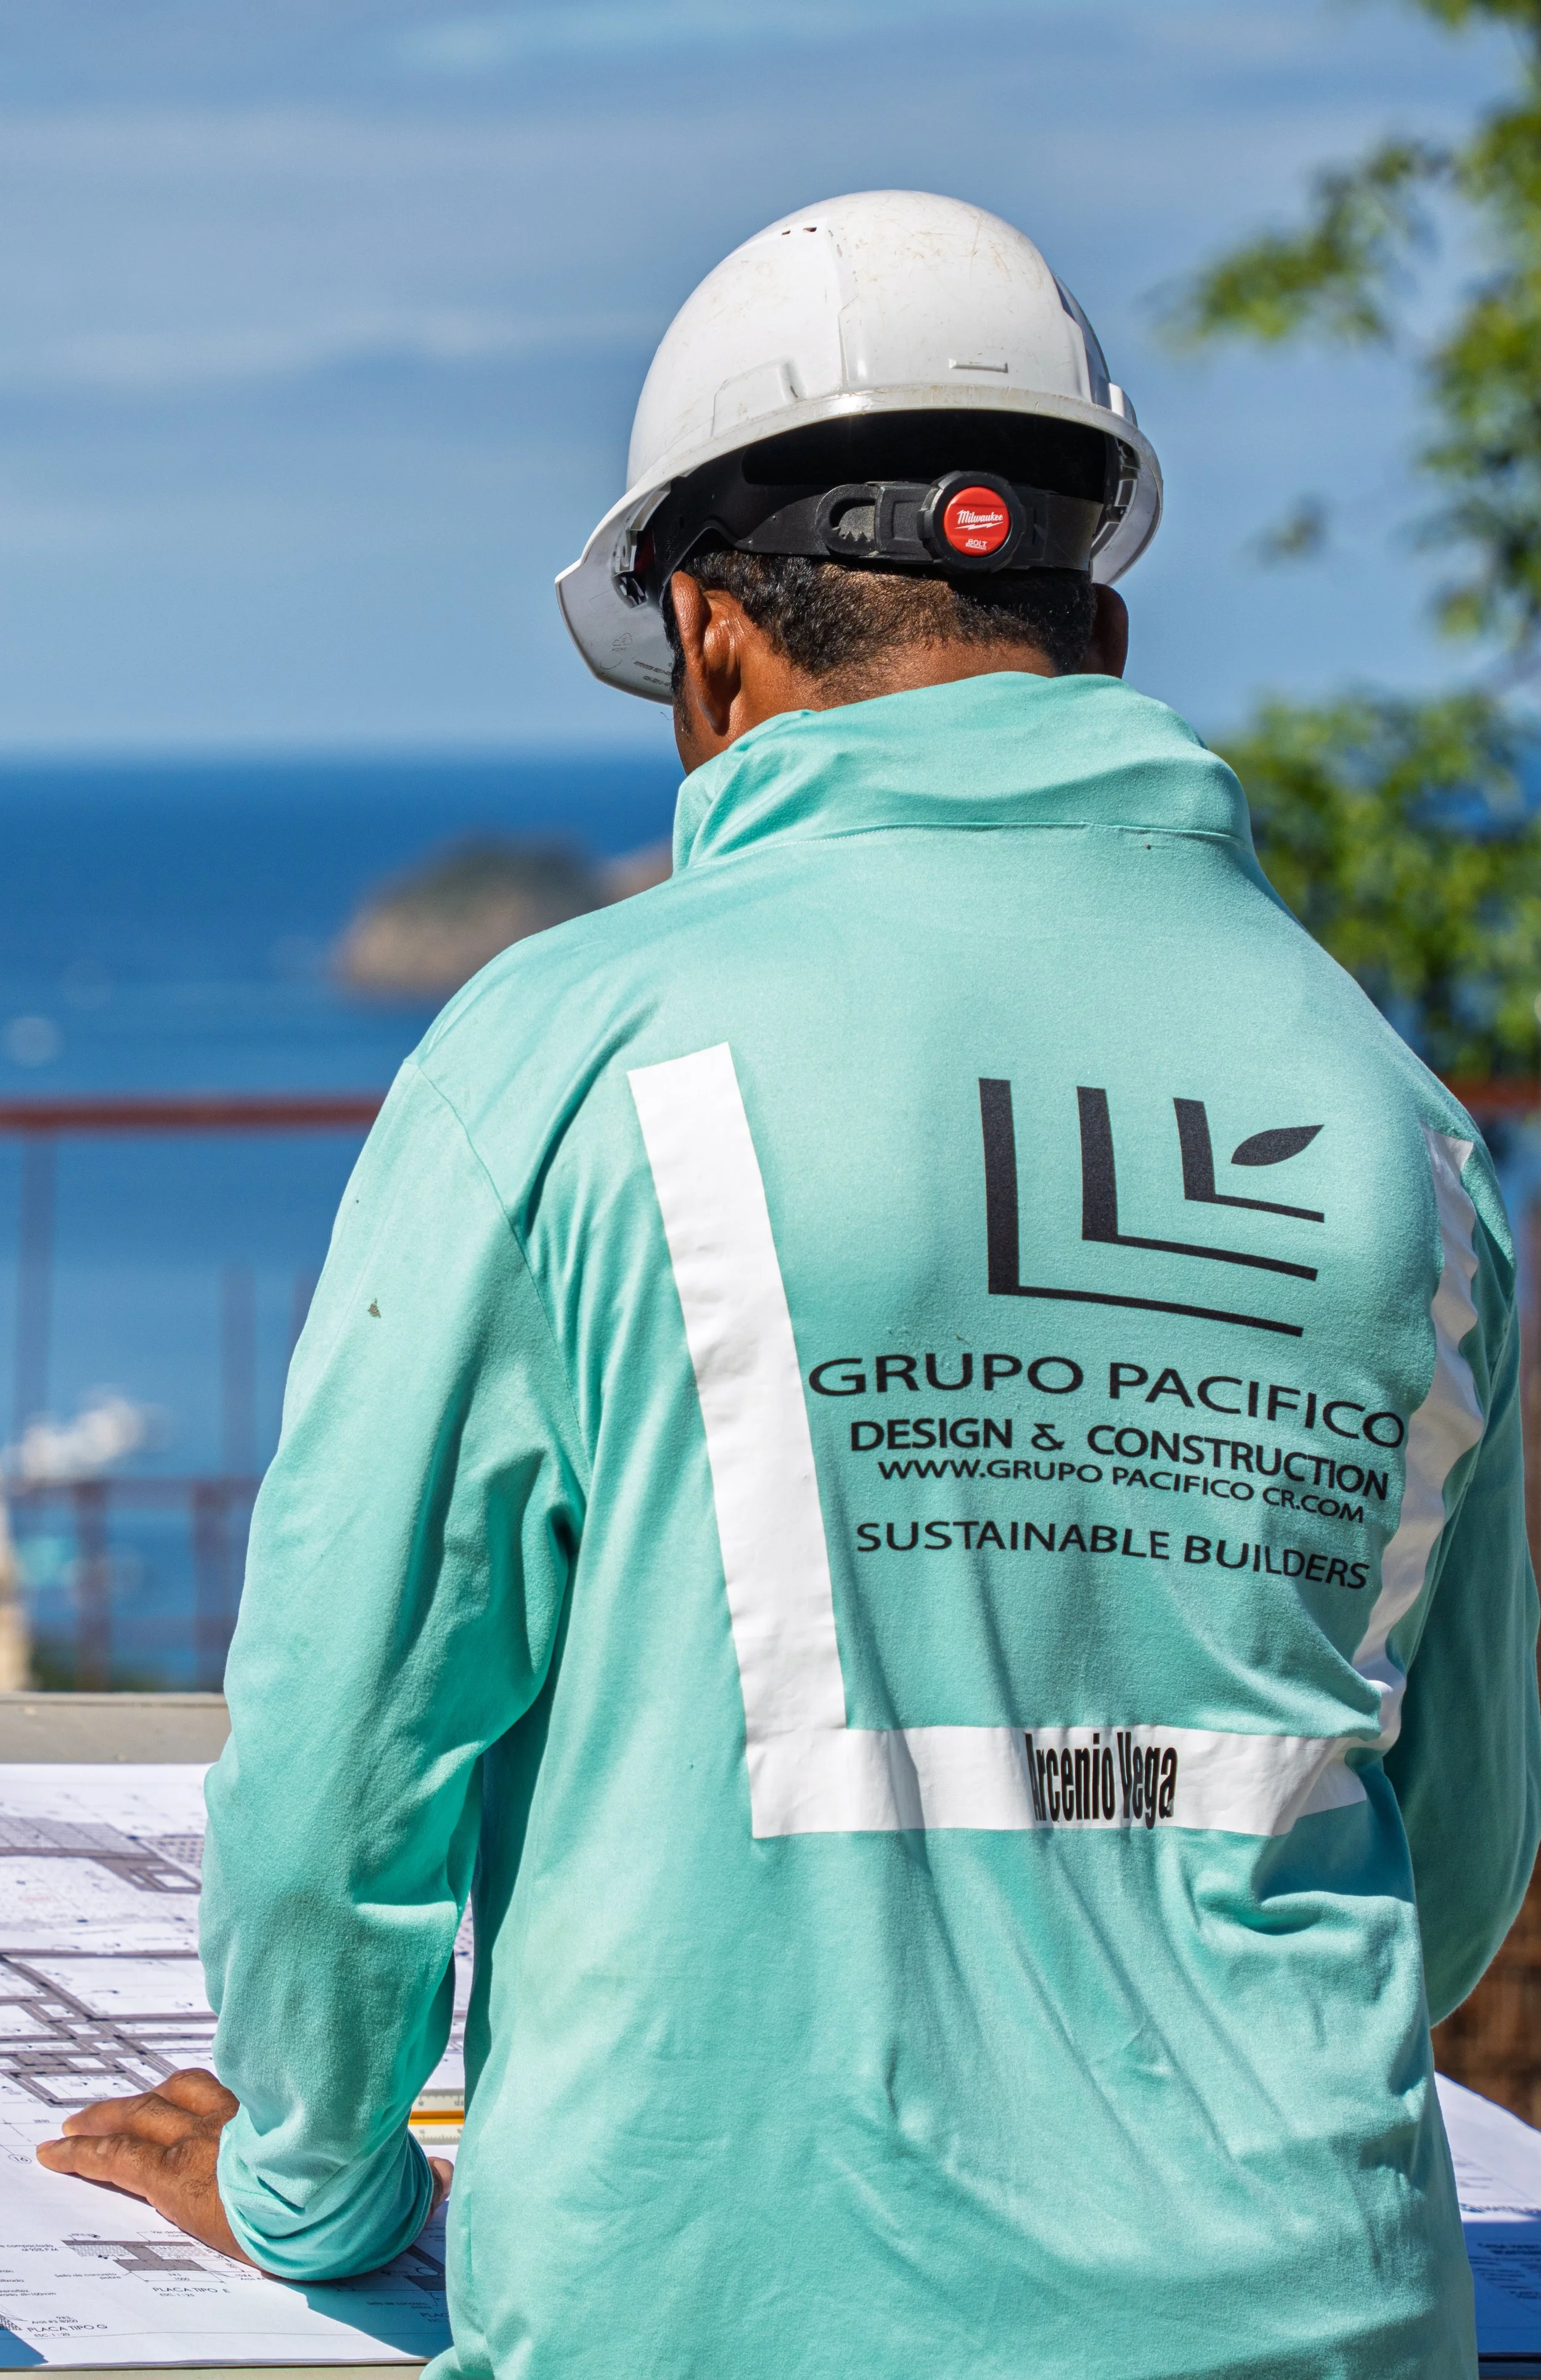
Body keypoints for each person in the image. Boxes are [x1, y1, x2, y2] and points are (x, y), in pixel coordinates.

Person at [38, 192, 1540, 2380]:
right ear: (1085, 623)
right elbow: (1459, 1818)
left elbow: (346, 1750)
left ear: (711, 643)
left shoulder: (572, 1048)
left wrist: (313, 2184)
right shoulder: (1402, 1123)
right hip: (1318, 2315)